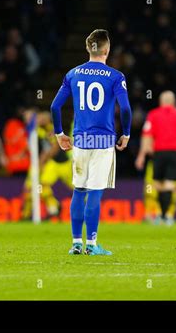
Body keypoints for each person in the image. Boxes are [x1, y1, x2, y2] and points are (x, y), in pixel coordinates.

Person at [50, 29, 132, 255]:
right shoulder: (116, 76)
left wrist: (59, 133)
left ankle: (76, 243)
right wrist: (126, 133)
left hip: (81, 140)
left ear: (89, 48)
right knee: (95, 192)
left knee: (79, 189)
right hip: (104, 140)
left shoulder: (73, 74)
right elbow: (124, 108)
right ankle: (92, 245)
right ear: (107, 50)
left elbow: (55, 106)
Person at [135, 91, 176, 226]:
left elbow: (147, 136)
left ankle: (159, 215)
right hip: (174, 153)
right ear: (173, 102)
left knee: (157, 184)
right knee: (170, 184)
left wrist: (141, 155)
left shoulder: (153, 114)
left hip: (158, 153)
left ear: (161, 101)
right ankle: (167, 215)